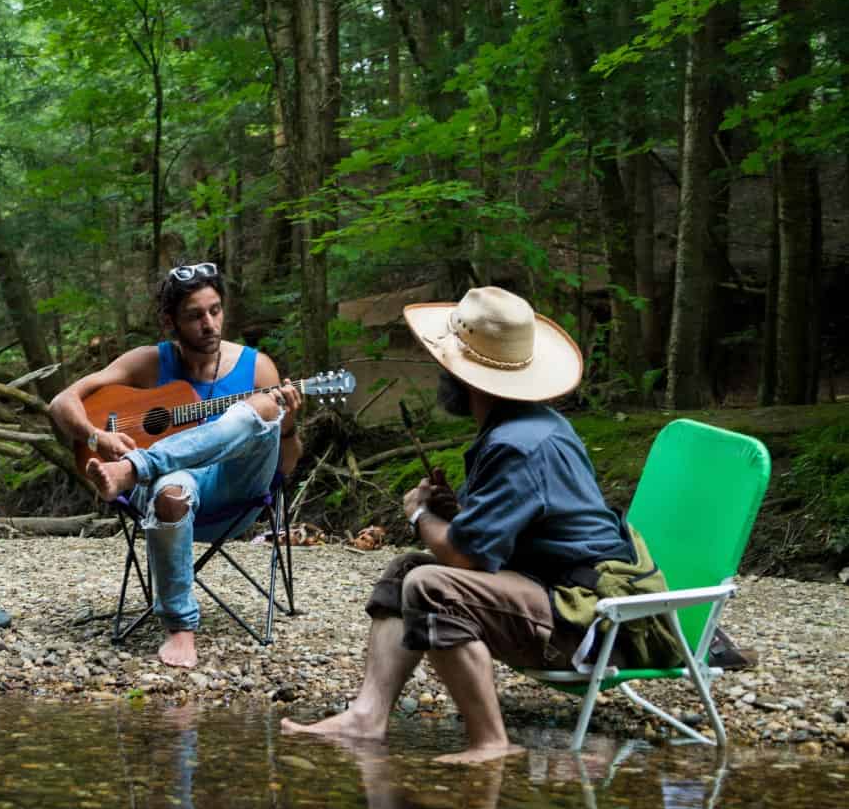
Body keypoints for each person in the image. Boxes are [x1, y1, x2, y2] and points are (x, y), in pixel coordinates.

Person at [285, 286, 674, 763]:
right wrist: (455, 513)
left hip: (594, 625)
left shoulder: (517, 445)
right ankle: (367, 717)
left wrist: (420, 514)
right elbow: (510, 531)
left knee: (430, 586)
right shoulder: (528, 424)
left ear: (462, 375)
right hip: (562, 597)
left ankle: (492, 742)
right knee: (406, 571)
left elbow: (464, 557)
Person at [49, 262, 303, 669]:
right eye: (195, 315)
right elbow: (62, 402)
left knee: (262, 405)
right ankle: (181, 629)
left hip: (235, 491)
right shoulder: (149, 362)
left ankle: (134, 467)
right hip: (170, 489)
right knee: (171, 491)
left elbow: (283, 470)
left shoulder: (257, 367)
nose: (209, 324)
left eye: (215, 311)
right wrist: (97, 438)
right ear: (171, 322)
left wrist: (285, 426)